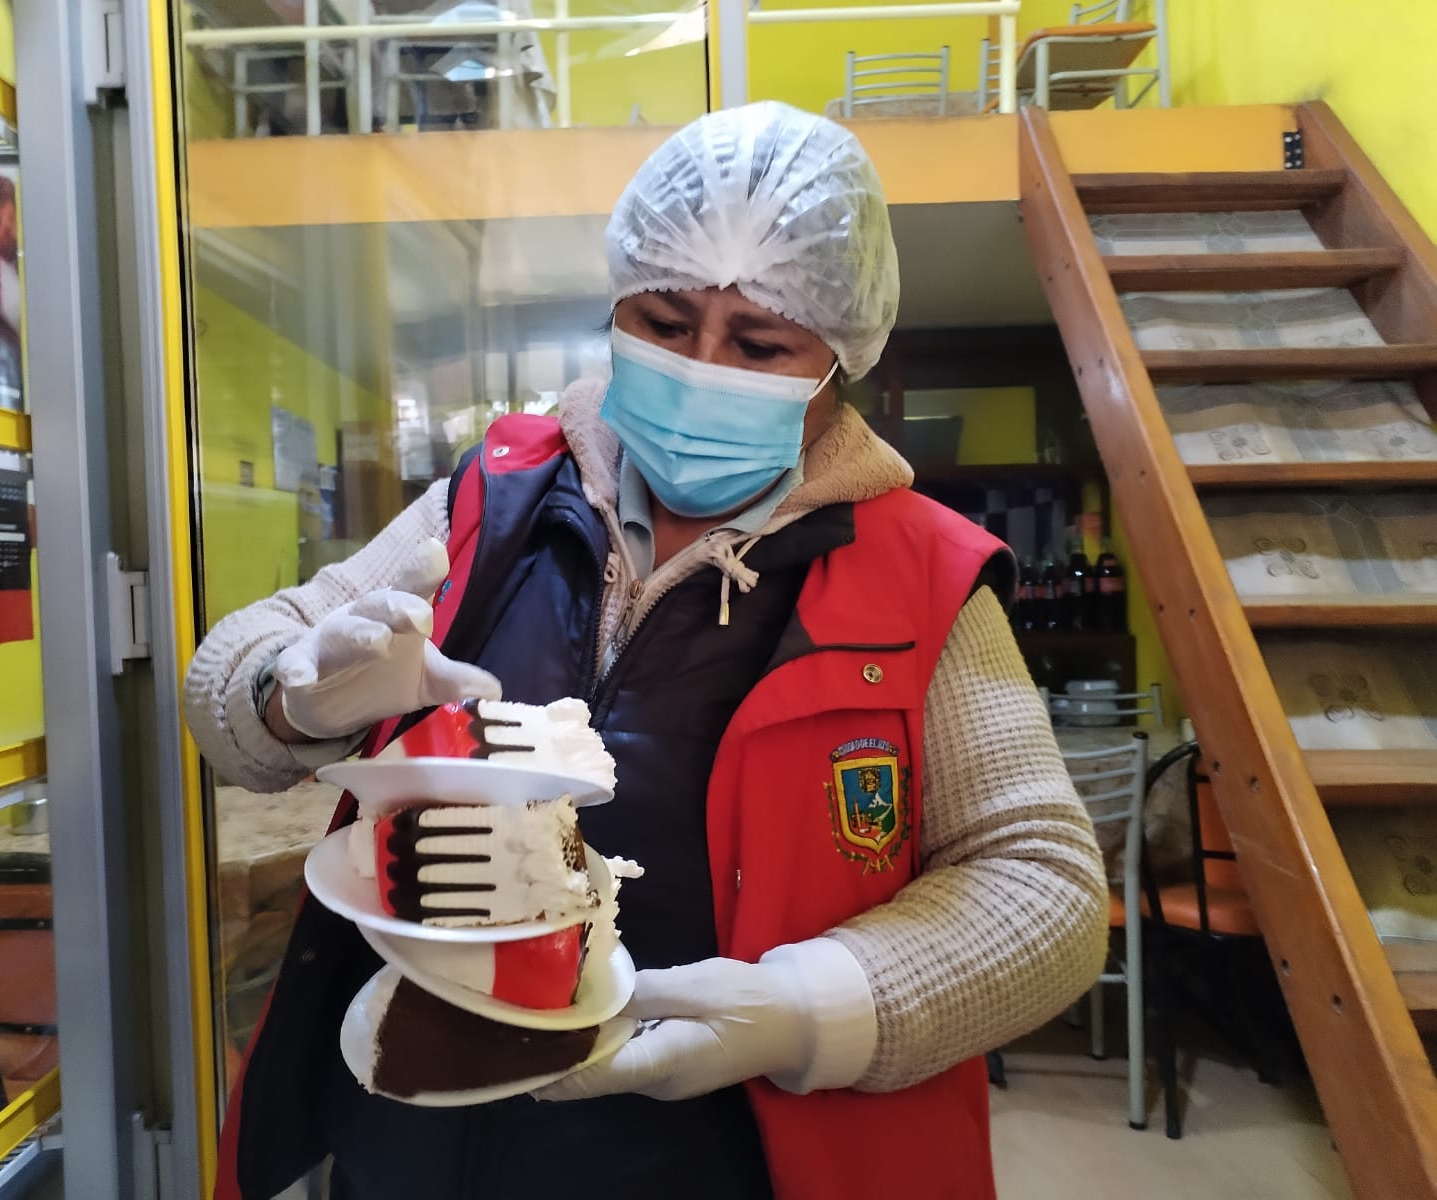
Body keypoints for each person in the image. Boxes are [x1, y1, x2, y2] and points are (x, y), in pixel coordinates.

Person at [185, 100, 1108, 1200]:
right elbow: (230, 689)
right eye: (665, 323)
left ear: (838, 362)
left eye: (759, 345)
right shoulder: (495, 502)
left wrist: (809, 1009)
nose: (702, 365)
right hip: (418, 1133)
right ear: (618, 306)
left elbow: (1045, 887)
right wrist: (293, 696)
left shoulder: (923, 576)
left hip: (724, 1157)